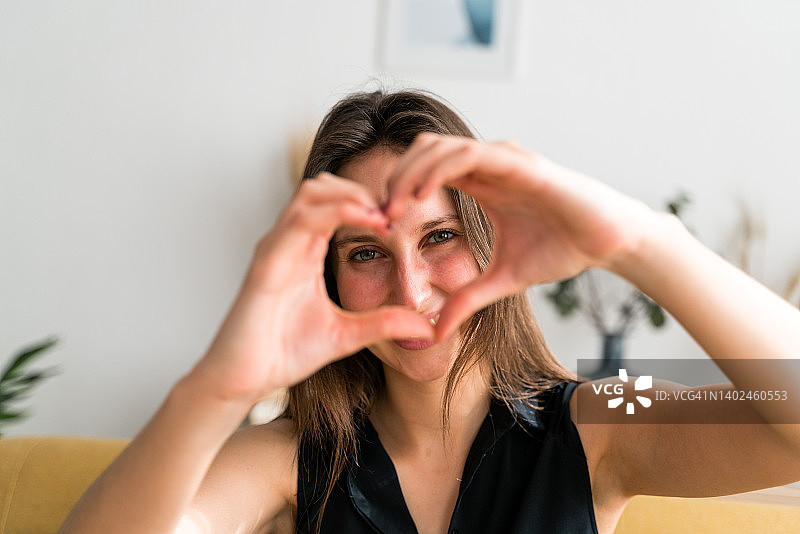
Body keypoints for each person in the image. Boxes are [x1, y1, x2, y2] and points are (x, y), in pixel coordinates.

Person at [59, 89, 800, 534]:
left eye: (439, 237)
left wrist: (640, 241)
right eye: (366, 253)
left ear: (488, 240)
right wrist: (220, 384)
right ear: (330, 276)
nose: (412, 292)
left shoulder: (598, 419)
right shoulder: (289, 459)